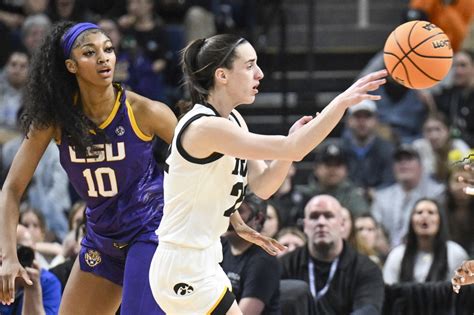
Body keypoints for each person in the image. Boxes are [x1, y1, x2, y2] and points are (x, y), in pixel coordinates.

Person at [148, 33, 387, 314]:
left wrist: (285, 154)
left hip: (204, 261)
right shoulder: (205, 127)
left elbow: (263, 185)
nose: (259, 73)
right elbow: (295, 148)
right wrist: (342, 102)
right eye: (249, 66)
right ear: (222, 75)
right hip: (182, 265)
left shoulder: (233, 120)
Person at [0, 21, 177, 315]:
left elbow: (202, 156)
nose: (103, 57)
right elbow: (12, 189)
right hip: (101, 236)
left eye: (108, 49)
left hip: (150, 229)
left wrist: (231, 215)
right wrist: (7, 256)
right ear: (71, 66)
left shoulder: (146, 111)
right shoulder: (55, 120)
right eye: (89, 52)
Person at [279, 195, 385, 314]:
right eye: (314, 217)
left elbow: (368, 310)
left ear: (342, 225)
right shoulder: (284, 265)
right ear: (305, 226)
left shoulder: (366, 268)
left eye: (329, 216)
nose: (321, 222)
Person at [371, 144, 445, 248]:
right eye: (399, 160)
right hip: (388, 254)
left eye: (409, 159)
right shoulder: (382, 197)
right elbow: (374, 226)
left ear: (421, 166)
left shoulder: (437, 193)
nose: (403, 163)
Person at [383, 198, 468, 285]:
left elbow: (461, 293)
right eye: (419, 212)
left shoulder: (455, 253)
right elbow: (388, 289)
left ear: (441, 220)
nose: (424, 216)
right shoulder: (397, 255)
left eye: (431, 212)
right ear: (411, 221)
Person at [221, 192, 281, 314]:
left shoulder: (264, 261)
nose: (230, 216)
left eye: (238, 211)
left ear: (258, 218)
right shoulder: (220, 245)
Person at [0, 224, 62, 315]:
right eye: (18, 250)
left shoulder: (47, 282)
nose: (22, 256)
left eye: (27, 251)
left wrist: (33, 287)